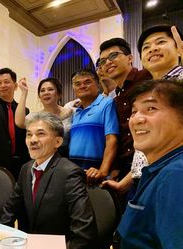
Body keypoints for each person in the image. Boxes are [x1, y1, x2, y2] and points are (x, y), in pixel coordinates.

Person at [0, 111, 97, 249]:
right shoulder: (26, 169)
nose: (33, 140)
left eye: (40, 134)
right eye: (29, 134)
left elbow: (84, 228)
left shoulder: (69, 173)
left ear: (57, 142)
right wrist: (0, 239)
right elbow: (10, 210)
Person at [103, 25, 183, 194]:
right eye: (146, 47)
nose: (153, 49)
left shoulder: (179, 82)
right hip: (144, 178)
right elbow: (143, 153)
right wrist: (124, 184)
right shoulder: (148, 90)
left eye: (161, 42)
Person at [117, 80, 183, 249]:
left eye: (151, 108)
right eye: (133, 111)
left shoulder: (176, 175)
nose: (137, 119)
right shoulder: (157, 170)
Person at [98, 38, 152, 180]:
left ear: (130, 58)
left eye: (113, 56)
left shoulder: (148, 77)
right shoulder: (116, 98)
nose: (107, 62)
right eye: (102, 61)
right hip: (126, 168)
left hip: (152, 162)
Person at [69, 69, 119, 183]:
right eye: (77, 84)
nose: (82, 86)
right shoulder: (76, 112)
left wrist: (103, 171)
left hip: (96, 175)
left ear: (97, 84)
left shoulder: (107, 103)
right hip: (76, 175)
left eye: (87, 82)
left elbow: (112, 139)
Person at [15, 77, 73, 157]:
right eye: (42, 90)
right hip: (43, 158)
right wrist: (24, 93)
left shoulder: (71, 113)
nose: (46, 93)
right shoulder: (37, 117)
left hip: (67, 159)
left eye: (50, 89)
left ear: (59, 94)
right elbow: (19, 122)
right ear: (39, 96)